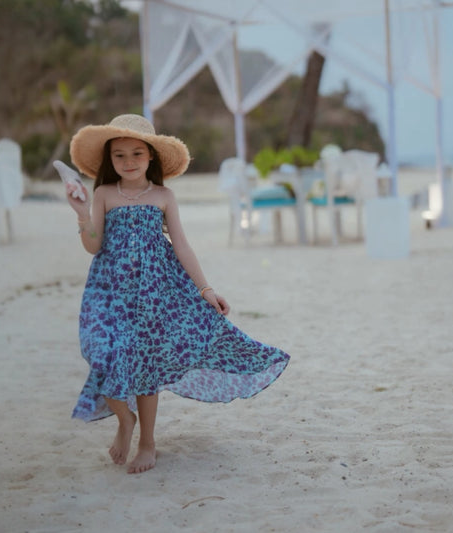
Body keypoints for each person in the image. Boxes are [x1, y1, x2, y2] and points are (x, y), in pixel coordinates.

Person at [56, 114, 290, 474]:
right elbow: (93, 246)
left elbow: (181, 245)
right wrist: (81, 214)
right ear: (109, 160)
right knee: (100, 353)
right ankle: (125, 420)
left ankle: (147, 443)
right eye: (119, 155)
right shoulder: (103, 195)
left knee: (147, 366)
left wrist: (206, 289)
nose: (129, 162)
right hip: (109, 294)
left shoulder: (164, 196)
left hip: (155, 293)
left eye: (137, 153)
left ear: (152, 157)